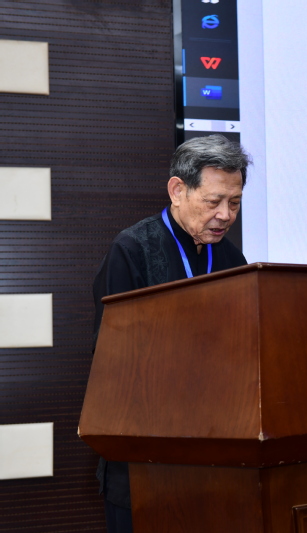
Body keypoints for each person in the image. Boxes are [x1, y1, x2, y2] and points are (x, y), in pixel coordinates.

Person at [91, 134, 251, 532]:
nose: (225, 215)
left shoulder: (233, 259)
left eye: (234, 203)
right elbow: (113, 362)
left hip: (217, 455)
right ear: (178, 190)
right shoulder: (132, 250)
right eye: (213, 201)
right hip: (145, 456)